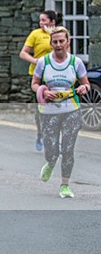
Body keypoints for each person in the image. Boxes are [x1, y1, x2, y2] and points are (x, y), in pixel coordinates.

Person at [31, 26, 91, 198]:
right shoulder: (43, 62)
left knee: (68, 148)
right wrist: (43, 92)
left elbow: (85, 83)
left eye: (61, 41)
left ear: (67, 42)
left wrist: (83, 88)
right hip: (48, 111)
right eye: (55, 42)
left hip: (71, 109)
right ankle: (50, 162)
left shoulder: (75, 62)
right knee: (51, 149)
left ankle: (65, 185)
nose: (58, 45)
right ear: (51, 43)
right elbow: (34, 83)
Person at [20, 10, 60, 151]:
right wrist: (36, 61)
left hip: (56, 76)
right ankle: (40, 134)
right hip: (38, 76)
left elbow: (67, 53)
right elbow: (23, 53)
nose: (41, 23)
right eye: (40, 20)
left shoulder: (59, 34)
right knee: (41, 108)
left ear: (52, 22)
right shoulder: (35, 34)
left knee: (58, 107)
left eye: (44, 20)